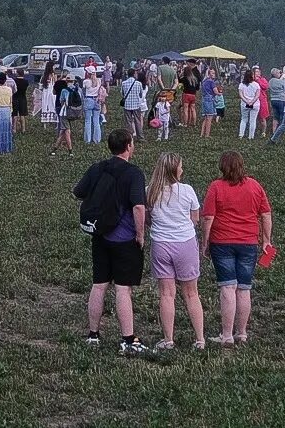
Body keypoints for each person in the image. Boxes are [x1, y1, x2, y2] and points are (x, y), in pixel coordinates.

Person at [74, 127, 149, 355]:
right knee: (123, 288)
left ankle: (93, 335)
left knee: (99, 285)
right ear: (128, 146)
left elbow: (78, 192)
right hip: (124, 238)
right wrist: (140, 234)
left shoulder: (98, 168)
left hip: (100, 234)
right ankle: (128, 339)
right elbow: (138, 206)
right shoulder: (133, 173)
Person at [198, 150, 271, 345]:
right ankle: (242, 333)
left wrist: (205, 242)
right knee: (244, 288)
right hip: (248, 243)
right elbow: (265, 214)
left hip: (222, 242)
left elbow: (208, 218)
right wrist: (266, 240)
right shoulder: (255, 186)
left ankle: (227, 335)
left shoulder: (216, 187)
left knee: (227, 287)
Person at [146, 152, 205, 352]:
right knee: (191, 293)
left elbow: (147, 218)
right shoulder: (187, 191)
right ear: (174, 170)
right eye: (180, 166)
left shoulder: (150, 192)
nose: (182, 169)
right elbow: (195, 218)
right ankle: (200, 339)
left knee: (166, 294)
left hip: (161, 244)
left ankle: (168, 339)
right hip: (185, 244)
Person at [81, 66, 106, 146]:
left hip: (89, 99)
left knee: (88, 121)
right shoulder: (99, 81)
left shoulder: (86, 82)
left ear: (88, 73)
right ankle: (97, 139)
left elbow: (83, 91)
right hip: (97, 100)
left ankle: (87, 140)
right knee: (96, 121)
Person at [236, 69, 261, 139]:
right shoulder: (256, 85)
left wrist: (246, 101)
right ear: (252, 76)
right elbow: (257, 95)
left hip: (244, 104)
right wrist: (252, 102)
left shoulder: (241, 85)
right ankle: (251, 136)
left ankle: (241, 135)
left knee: (244, 119)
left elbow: (241, 95)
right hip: (255, 104)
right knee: (253, 120)